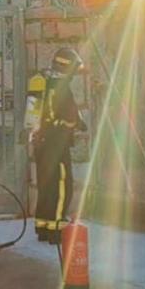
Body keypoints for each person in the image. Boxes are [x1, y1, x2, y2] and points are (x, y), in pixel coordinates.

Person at [33, 48, 87, 244]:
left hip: (40, 143)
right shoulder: (61, 85)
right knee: (63, 184)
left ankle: (42, 227)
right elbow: (70, 115)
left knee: (45, 185)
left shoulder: (42, 81)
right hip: (57, 143)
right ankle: (57, 228)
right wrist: (78, 123)